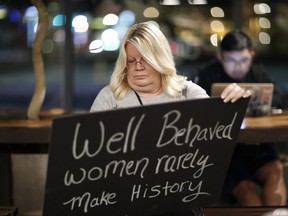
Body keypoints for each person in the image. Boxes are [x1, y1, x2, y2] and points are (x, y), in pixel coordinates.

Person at [90, 22, 250, 215]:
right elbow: (93, 160)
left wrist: (233, 103)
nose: (138, 67)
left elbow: (216, 138)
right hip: (126, 200)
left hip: (178, 198)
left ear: (159, 59)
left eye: (145, 60)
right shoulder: (109, 98)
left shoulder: (187, 92)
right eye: (131, 61)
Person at [190, 30, 288, 206]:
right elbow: (191, 109)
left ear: (252, 55)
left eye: (244, 60)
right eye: (231, 60)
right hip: (224, 150)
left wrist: (256, 97)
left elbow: (280, 99)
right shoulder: (205, 75)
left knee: (276, 169)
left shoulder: (258, 72)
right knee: (246, 189)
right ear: (221, 56)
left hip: (256, 146)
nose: (238, 67)